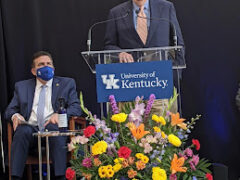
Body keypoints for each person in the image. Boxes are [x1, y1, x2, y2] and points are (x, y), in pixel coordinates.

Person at [5, 51, 82, 180]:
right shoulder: (22, 87)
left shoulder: (67, 84)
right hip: (30, 129)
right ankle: (15, 177)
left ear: (53, 67)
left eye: (49, 64)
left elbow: (76, 108)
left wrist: (60, 115)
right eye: (41, 64)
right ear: (34, 71)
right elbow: (9, 110)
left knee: (55, 129)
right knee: (21, 131)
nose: (46, 67)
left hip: (52, 127)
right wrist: (15, 116)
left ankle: (60, 176)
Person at [104, 0, 185, 114]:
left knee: (161, 129)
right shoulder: (116, 13)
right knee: (131, 130)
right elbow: (109, 46)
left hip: (160, 83)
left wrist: (176, 75)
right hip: (130, 84)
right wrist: (119, 53)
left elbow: (178, 44)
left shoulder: (166, 7)